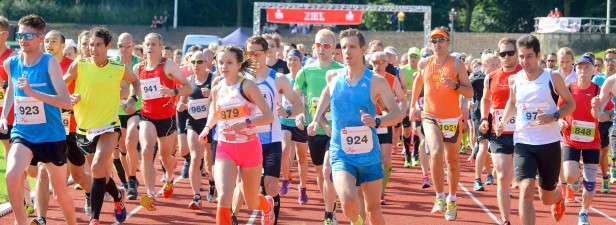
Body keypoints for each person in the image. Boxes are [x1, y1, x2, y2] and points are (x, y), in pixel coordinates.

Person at [312, 28, 402, 225]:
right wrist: (317, 119)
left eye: (352, 47)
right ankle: (357, 222)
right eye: (343, 47)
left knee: (374, 210)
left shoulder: (376, 81)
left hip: (368, 154)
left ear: (363, 50)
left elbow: (396, 113)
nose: (347, 51)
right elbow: (326, 96)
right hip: (341, 152)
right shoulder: (333, 77)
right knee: (347, 201)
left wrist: (377, 121)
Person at [1, 14, 77, 225]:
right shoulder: (12, 63)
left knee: (60, 194)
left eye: (28, 36)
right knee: (12, 176)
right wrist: (3, 115)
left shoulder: (50, 63)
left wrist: (34, 93)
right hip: (23, 132)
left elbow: (65, 102)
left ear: (40, 38)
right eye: (21, 35)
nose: (23, 39)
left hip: (51, 136)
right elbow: (11, 90)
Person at [64, 26, 141, 225]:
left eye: (98, 45)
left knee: (98, 167)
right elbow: (60, 85)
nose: (94, 49)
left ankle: (94, 219)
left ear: (107, 46)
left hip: (109, 127)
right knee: (102, 175)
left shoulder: (117, 68)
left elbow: (135, 82)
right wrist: (68, 96)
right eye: (91, 45)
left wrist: (132, 99)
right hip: (83, 131)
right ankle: (117, 197)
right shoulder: (79, 65)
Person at [495, 34, 573, 225]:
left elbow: (571, 104)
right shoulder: (515, 80)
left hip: (549, 143)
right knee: (526, 187)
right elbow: (512, 103)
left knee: (546, 197)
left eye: (529, 56)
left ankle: (558, 197)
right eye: (521, 56)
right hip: (523, 142)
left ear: (538, 55)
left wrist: (554, 116)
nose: (524, 61)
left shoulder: (552, 77)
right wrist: (503, 122)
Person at [197, 45, 276, 225]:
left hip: (249, 147)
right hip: (225, 148)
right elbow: (215, 112)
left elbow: (268, 116)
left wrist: (248, 122)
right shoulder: (217, 87)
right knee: (224, 197)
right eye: (221, 62)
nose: (224, 66)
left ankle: (267, 205)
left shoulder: (247, 86)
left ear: (239, 64)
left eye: (229, 63)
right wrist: (207, 128)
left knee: (252, 202)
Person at [232, 35, 303, 224]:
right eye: (249, 53)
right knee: (243, 184)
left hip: (271, 139)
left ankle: (271, 218)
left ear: (266, 53)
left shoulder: (277, 78)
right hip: (247, 139)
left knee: (270, 184)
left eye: (258, 52)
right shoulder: (240, 78)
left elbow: (298, 105)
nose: (254, 56)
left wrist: (287, 112)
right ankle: (232, 216)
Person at [29, 29, 93, 225]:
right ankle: (41, 218)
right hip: (46, 127)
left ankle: (94, 192)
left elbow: (85, 92)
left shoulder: (72, 66)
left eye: (54, 41)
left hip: (70, 127)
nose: (49, 44)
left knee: (79, 176)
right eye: (46, 40)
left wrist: (75, 99)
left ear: (63, 46)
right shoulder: (38, 64)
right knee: (41, 172)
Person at [409, 28, 473, 221]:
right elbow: (417, 84)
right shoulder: (424, 63)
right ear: (430, 43)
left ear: (447, 42)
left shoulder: (457, 64)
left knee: (452, 162)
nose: (437, 44)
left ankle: (452, 199)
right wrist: (413, 105)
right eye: (434, 40)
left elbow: (469, 92)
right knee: (435, 152)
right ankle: (439, 196)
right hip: (430, 116)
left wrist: (454, 86)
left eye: (441, 40)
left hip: (452, 119)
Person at [136, 33, 192, 211]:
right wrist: (130, 100)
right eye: (147, 44)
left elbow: (188, 87)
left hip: (166, 118)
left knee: (165, 156)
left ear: (161, 47)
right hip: (146, 116)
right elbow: (133, 88)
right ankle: (150, 193)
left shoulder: (168, 65)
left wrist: (173, 92)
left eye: (153, 44)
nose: (150, 48)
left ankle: (169, 177)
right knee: (146, 150)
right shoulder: (139, 67)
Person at [294, 28, 344, 225]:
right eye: (317, 45)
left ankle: (329, 214)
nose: (321, 49)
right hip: (315, 130)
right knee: (319, 172)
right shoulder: (306, 71)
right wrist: (298, 114)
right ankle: (330, 202)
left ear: (333, 48)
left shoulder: (341, 70)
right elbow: (294, 98)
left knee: (327, 171)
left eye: (326, 45)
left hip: (337, 130)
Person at [561, 55, 612, 225]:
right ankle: (575, 180)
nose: (583, 71)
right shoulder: (568, 88)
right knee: (569, 176)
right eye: (580, 68)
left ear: (593, 71)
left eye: (587, 68)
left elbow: (608, 114)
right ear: (576, 70)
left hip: (592, 142)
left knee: (590, 186)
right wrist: (560, 121)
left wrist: (600, 113)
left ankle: (583, 212)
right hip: (571, 140)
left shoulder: (599, 91)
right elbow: (559, 110)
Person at [478, 37, 523, 225]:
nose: (507, 57)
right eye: (503, 53)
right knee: (503, 176)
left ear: (516, 53)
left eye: (510, 53)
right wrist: (484, 117)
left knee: (524, 182)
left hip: (524, 134)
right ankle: (506, 220)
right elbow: (485, 99)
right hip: (499, 133)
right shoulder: (491, 77)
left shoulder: (525, 74)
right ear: (499, 55)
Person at [175, 51, 213, 209]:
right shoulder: (188, 82)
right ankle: (196, 196)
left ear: (206, 64)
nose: (196, 65)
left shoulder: (215, 80)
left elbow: (225, 100)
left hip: (210, 125)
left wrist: (212, 95)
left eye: (200, 61)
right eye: (193, 62)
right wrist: (181, 106)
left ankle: (212, 183)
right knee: (196, 158)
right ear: (190, 65)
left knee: (210, 164)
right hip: (193, 123)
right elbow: (180, 104)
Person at [370, 51, 406, 205]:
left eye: (381, 62)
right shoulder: (366, 77)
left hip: (384, 122)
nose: (377, 66)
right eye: (374, 62)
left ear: (387, 63)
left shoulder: (392, 79)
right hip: (368, 122)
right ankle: (366, 189)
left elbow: (403, 100)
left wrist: (401, 113)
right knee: (369, 159)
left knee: (385, 158)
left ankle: (380, 192)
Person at [278, 50, 310, 206]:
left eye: (295, 59)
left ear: (301, 61)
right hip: (285, 121)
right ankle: (285, 179)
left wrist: (306, 116)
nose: (292, 62)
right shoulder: (283, 79)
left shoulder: (305, 79)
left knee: (302, 157)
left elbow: (309, 101)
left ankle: (302, 187)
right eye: (289, 59)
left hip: (301, 122)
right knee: (284, 150)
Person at [113, 32, 142, 200]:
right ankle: (129, 178)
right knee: (122, 148)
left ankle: (131, 181)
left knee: (131, 140)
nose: (124, 49)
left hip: (135, 110)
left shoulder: (139, 64)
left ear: (133, 46)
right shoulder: (112, 63)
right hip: (116, 111)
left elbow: (137, 86)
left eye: (128, 46)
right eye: (120, 46)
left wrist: (131, 98)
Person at [471, 52, 499, 192]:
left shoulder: (500, 78)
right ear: (484, 66)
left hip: (497, 116)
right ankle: (477, 179)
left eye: (496, 64)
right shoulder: (477, 79)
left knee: (491, 148)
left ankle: (491, 174)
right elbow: (466, 91)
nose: (494, 67)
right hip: (480, 115)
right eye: (491, 65)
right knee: (483, 146)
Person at [594, 49, 616, 191]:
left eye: (613, 60)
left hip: (611, 119)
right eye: (607, 60)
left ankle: (612, 171)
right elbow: (597, 110)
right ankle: (606, 178)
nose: (609, 63)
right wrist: (595, 109)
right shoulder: (603, 80)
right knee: (603, 150)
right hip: (606, 121)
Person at [400, 47, 420, 167]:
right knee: (406, 130)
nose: (412, 58)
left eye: (415, 56)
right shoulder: (403, 70)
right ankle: (407, 154)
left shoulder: (421, 69)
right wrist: (404, 92)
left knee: (416, 129)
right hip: (405, 103)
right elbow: (398, 89)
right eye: (410, 56)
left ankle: (415, 154)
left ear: (419, 58)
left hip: (418, 104)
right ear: (407, 57)